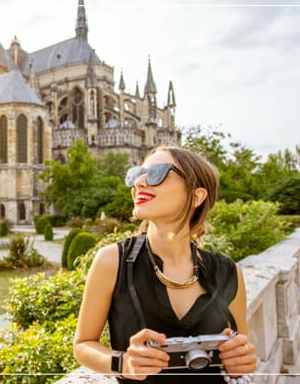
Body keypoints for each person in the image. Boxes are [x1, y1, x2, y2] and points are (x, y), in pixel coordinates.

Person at [73, 146, 258, 383]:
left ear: (196, 196)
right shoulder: (112, 261)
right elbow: (83, 344)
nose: (139, 183)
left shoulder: (229, 272)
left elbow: (240, 349)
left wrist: (240, 359)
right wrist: (123, 362)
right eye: (136, 174)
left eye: (157, 173)